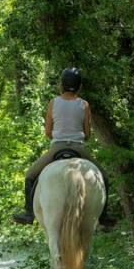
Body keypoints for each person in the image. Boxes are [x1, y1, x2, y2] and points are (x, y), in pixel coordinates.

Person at [12, 67, 111, 226]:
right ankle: (104, 216)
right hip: (79, 148)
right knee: (104, 176)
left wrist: (59, 138)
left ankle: (29, 214)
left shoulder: (53, 102)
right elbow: (87, 133)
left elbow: (47, 132)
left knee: (30, 176)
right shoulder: (84, 105)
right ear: (79, 86)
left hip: (57, 148)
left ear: (62, 85)